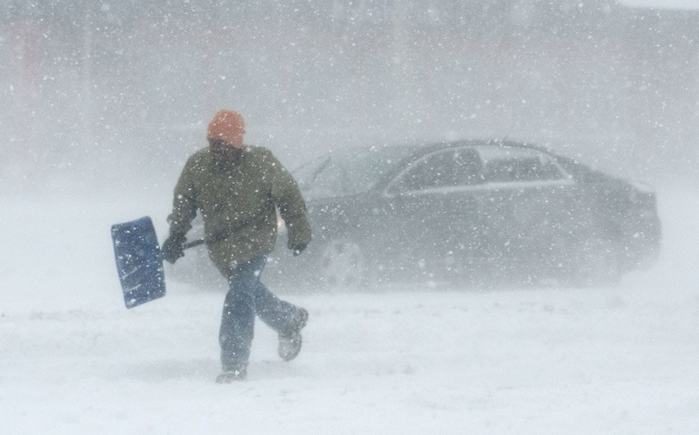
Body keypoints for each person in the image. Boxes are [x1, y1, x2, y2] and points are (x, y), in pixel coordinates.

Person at [161, 110, 312, 383]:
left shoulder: (261, 162)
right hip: (222, 248)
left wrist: (299, 230)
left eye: (223, 143)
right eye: (213, 143)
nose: (217, 149)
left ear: (236, 142)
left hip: (256, 241)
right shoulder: (198, 166)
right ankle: (289, 320)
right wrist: (175, 237)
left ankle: (233, 364)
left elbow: (289, 195)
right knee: (249, 292)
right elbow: (184, 204)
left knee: (239, 295)